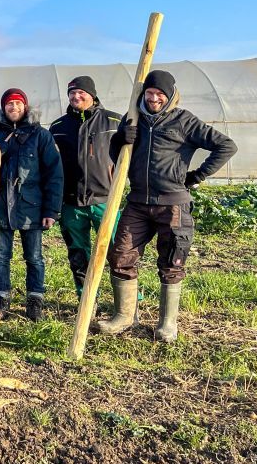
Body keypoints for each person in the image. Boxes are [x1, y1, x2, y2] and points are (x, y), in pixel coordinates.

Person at [97, 70, 237, 342]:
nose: (153, 98)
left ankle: (167, 323)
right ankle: (124, 316)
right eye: (149, 93)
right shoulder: (132, 117)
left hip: (173, 204)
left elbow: (226, 146)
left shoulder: (184, 120)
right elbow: (117, 154)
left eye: (159, 94)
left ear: (170, 95)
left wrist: (197, 176)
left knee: (172, 260)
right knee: (121, 255)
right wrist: (120, 139)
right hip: (138, 202)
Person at [0, 88, 63, 321]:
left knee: (34, 257)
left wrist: (51, 210)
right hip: (1, 206)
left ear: (25, 107)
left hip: (32, 206)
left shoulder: (40, 135)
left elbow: (54, 174)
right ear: (3, 108)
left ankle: (34, 303)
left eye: (18, 103)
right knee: (0, 256)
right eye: (9, 104)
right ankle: (1, 302)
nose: (14, 107)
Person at [48, 76, 123, 298]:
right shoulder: (58, 127)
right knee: (78, 255)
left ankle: (127, 304)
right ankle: (87, 300)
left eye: (81, 92)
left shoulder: (114, 122)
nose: (76, 96)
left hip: (105, 200)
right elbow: (51, 165)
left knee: (119, 252)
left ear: (92, 94)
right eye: (72, 93)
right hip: (71, 202)